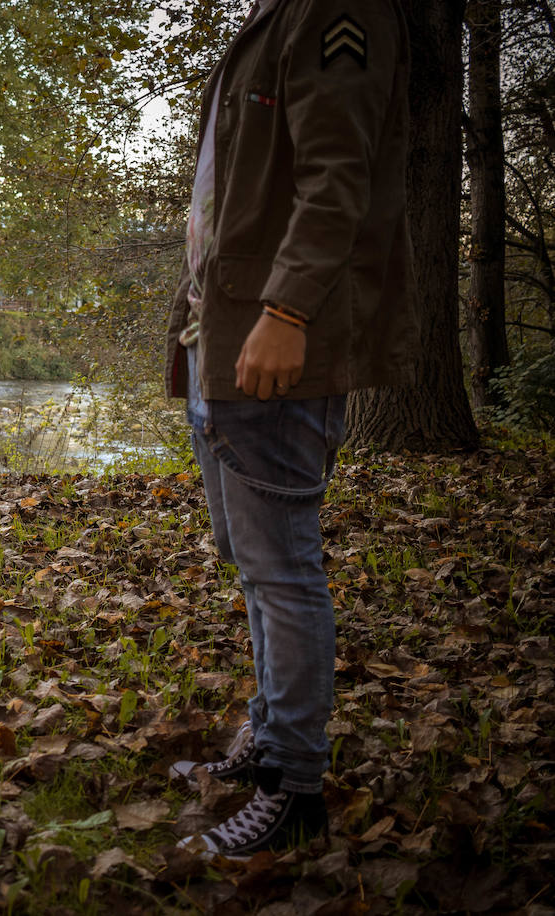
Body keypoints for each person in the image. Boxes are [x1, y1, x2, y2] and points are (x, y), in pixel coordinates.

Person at [164, 0, 417, 858]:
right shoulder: (278, 17)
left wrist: (286, 308)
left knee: (284, 572)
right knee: (250, 560)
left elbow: (337, 176)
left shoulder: (337, 12)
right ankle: (270, 737)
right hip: (221, 334)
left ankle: (295, 786)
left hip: (270, 340)